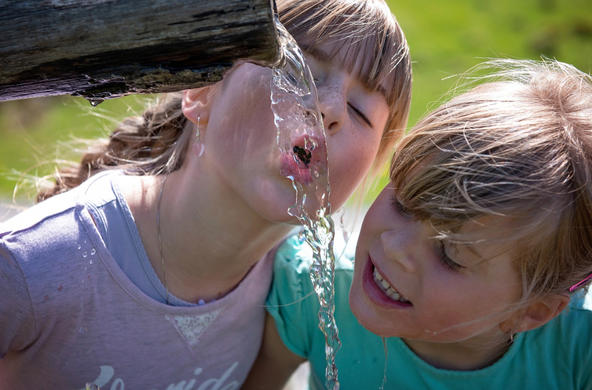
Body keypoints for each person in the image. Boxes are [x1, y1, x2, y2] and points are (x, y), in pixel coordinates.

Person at [0, 1, 412, 388]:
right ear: (199, 93)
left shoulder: (295, 292)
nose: (329, 110)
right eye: (296, 71)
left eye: (359, 109)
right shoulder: (35, 264)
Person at [245, 59, 592, 389]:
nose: (395, 247)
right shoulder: (314, 294)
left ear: (532, 310)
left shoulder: (578, 350)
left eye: (449, 254)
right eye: (403, 204)